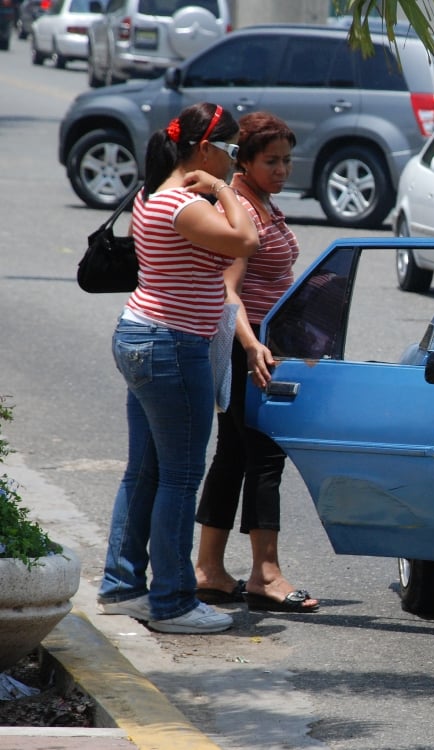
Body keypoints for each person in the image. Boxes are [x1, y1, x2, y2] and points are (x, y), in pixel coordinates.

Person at [96, 102, 259, 634]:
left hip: (146, 336)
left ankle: (122, 586)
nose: (236, 162)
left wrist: (214, 188)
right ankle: (171, 602)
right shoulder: (183, 205)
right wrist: (226, 190)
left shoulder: (155, 195)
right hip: (171, 345)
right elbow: (246, 241)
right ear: (206, 149)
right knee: (181, 476)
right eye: (233, 151)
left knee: (145, 470)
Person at [193, 112, 319, 614]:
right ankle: (265, 575)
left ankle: (209, 570)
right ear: (243, 160)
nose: (283, 169)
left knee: (232, 457)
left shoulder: (263, 202)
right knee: (264, 457)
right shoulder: (241, 206)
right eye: (272, 161)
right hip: (253, 351)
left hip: (267, 347)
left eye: (288, 160)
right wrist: (251, 346)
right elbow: (230, 291)